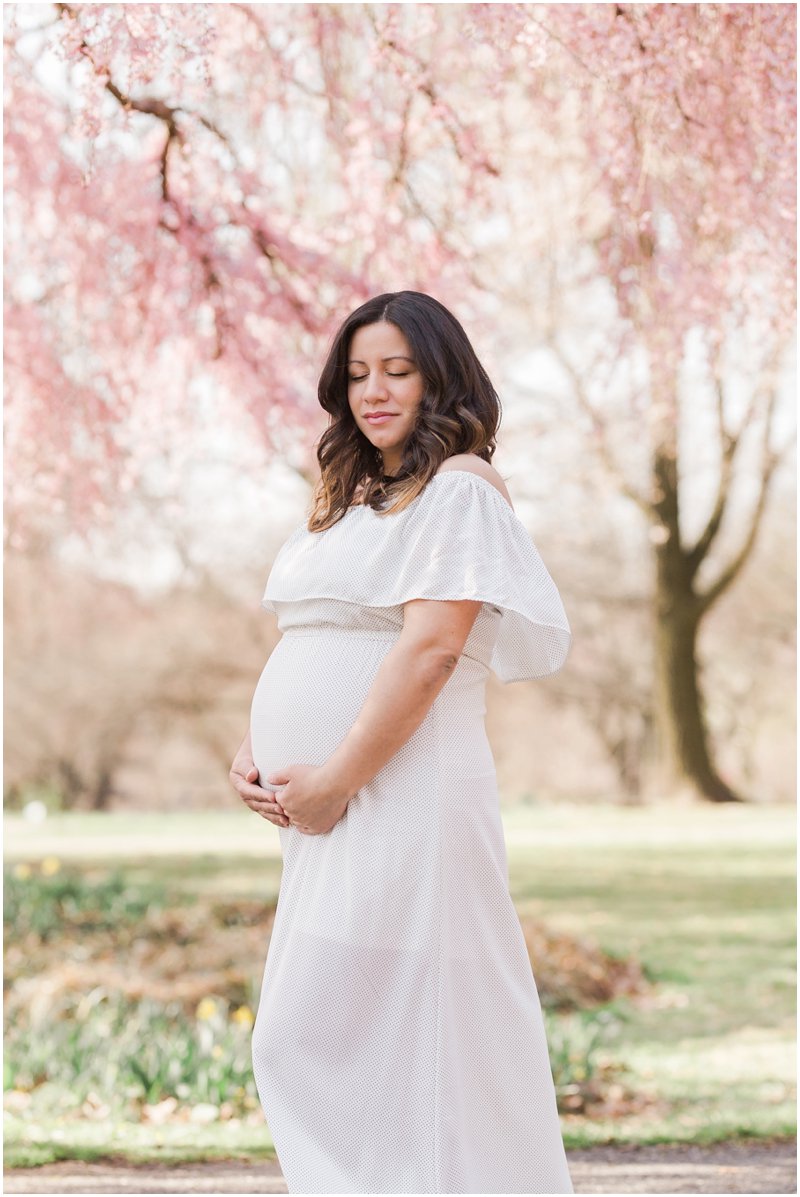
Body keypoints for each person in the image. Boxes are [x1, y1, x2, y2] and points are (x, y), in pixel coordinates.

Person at [229, 290, 574, 1195]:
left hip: (400, 792)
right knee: (334, 1029)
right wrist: (255, 744)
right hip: (329, 805)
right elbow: (315, 636)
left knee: (369, 1029)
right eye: (356, 374)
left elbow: (430, 652)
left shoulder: (460, 488)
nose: (373, 391)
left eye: (397, 370)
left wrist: (337, 778)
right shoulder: (356, 496)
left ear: (440, 375)